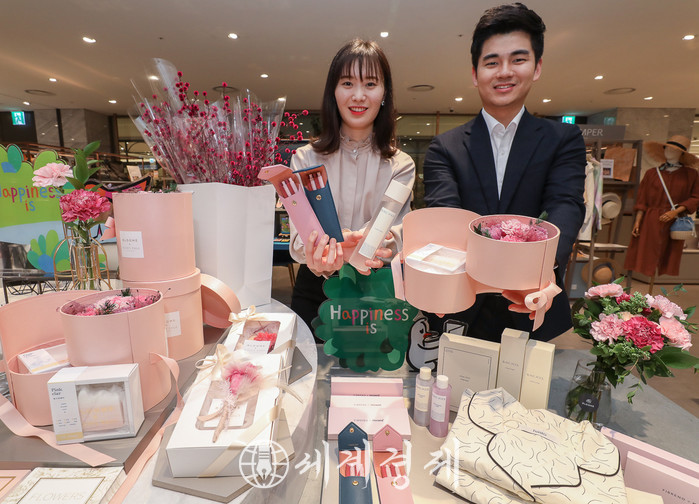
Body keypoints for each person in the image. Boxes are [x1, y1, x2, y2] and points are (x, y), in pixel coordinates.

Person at [422, 3, 585, 342]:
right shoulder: (445, 147)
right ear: (475, 73)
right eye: (492, 62)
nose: (505, 72)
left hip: (533, 301)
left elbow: (564, 205)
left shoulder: (563, 139)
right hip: (461, 303)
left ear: (537, 67)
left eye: (518, 59)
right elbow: (446, 215)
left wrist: (540, 271)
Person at [288, 39, 416, 333]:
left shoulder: (401, 164)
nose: (358, 95)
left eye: (370, 84)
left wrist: (359, 247)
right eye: (347, 83)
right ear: (333, 92)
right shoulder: (305, 159)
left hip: (377, 290)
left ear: (384, 93)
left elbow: (396, 230)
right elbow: (298, 239)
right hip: (315, 289)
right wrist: (332, 251)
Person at [624, 135, 699, 279]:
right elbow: (642, 200)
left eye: (674, 150)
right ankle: (649, 282)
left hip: (674, 221)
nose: (669, 151)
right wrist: (638, 221)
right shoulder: (652, 173)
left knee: (668, 254)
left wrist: (675, 211)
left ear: (682, 154)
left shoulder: (691, 175)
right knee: (647, 252)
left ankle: (657, 284)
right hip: (651, 219)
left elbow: (695, 198)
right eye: (667, 148)